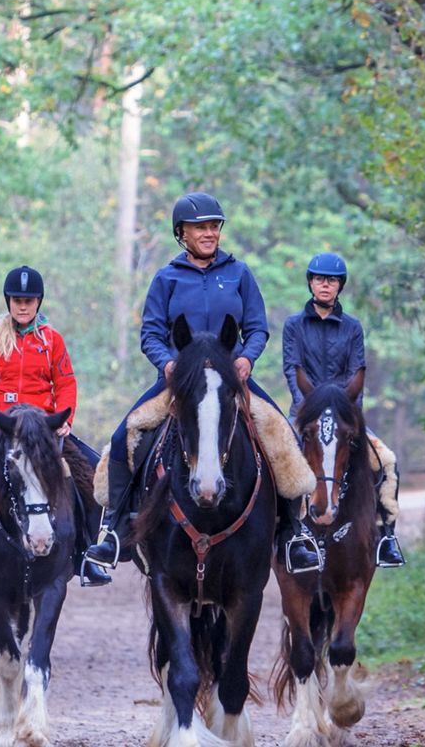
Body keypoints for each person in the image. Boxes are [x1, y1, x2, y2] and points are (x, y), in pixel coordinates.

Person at [84, 191, 322, 576]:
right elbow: (151, 333)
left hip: (231, 381)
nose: (210, 233)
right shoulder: (167, 278)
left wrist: (246, 358)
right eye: (201, 227)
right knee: (122, 436)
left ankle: (293, 535)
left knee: (283, 435)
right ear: (182, 233)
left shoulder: (240, 273)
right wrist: (167, 364)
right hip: (181, 382)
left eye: (214, 226)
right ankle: (112, 529)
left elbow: (258, 328)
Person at [0, 266, 112, 587]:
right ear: (9, 301)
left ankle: (86, 556)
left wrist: (64, 421)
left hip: (43, 430)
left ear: (38, 302)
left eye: (29, 300)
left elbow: (66, 384)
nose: (23, 306)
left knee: (92, 472)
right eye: (17, 300)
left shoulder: (52, 340)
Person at [280, 252, 406, 567]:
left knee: (387, 462)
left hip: (343, 416)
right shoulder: (293, 325)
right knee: (276, 464)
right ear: (310, 282)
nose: (325, 284)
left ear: (340, 286)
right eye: (320, 279)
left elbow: (356, 374)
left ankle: (386, 535)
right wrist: (305, 410)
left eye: (332, 280)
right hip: (305, 413)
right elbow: (291, 370)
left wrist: (350, 415)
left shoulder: (353, 327)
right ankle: (289, 535)